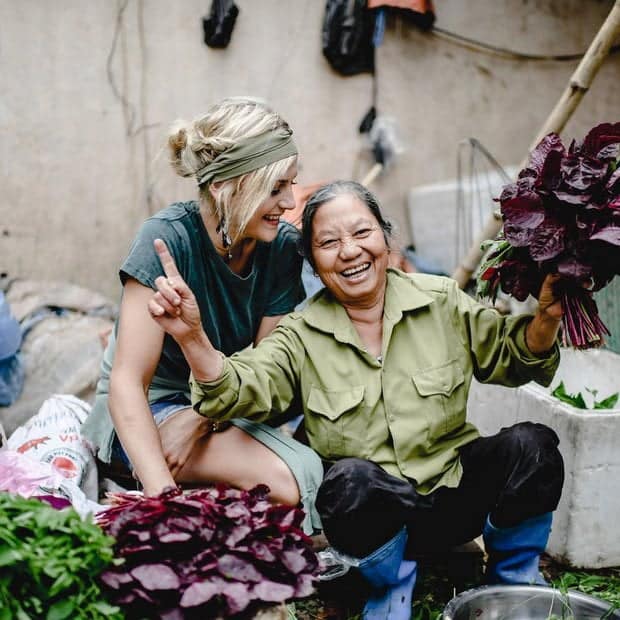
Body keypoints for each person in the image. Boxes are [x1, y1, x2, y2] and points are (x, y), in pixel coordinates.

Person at [149, 180, 565, 619]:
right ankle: (389, 591)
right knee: (349, 482)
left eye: (362, 233)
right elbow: (240, 386)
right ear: (313, 262)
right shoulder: (301, 333)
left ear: (386, 238)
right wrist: (193, 338)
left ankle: (513, 583)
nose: (350, 252)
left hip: (454, 494)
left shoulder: (440, 300)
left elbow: (513, 357)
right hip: (376, 525)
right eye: (329, 242)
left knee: (532, 446)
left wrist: (546, 319)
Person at [81, 97, 323, 535]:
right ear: (224, 186)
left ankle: (190, 498)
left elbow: (268, 367)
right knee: (290, 482)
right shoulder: (167, 239)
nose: (289, 202)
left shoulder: (281, 247)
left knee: (300, 476)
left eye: (292, 184)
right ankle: (157, 495)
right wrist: (163, 501)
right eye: (275, 188)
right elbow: (126, 383)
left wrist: (201, 418)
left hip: (224, 398)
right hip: (149, 406)